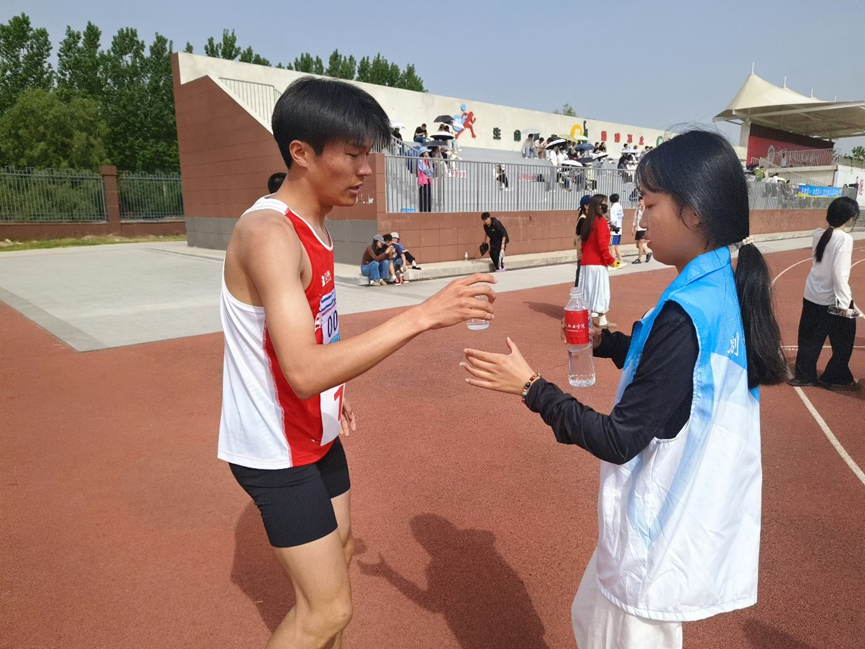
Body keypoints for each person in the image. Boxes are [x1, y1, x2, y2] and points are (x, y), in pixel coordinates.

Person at [461, 129, 787, 649]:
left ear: (695, 212)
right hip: (676, 518)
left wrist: (530, 387)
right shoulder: (720, 284)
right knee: (590, 614)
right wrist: (610, 342)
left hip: (655, 534)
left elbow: (618, 439)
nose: (639, 218)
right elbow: (675, 371)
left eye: (650, 204)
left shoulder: (685, 313)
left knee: (613, 626)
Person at [219, 76, 497, 649]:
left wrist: (335, 393)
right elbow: (302, 371)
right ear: (301, 153)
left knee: (341, 555)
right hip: (274, 449)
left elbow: (315, 331)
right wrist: (422, 315)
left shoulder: (316, 224)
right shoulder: (268, 234)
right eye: (352, 155)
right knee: (327, 612)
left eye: (367, 154)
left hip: (314, 429)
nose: (366, 170)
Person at [790, 196, 861, 390]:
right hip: (833, 300)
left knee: (808, 338)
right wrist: (846, 305)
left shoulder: (818, 234)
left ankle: (804, 376)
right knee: (844, 341)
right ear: (851, 218)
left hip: (812, 294)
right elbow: (840, 275)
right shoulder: (844, 239)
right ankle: (835, 376)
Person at [577, 194, 616, 328]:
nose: (605, 206)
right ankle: (602, 320)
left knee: (587, 291)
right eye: (603, 204)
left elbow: (583, 244)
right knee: (600, 291)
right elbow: (602, 244)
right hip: (597, 263)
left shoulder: (588, 221)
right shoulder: (601, 222)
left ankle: (587, 320)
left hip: (586, 263)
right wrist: (610, 259)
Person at [574, 194, 592, 286]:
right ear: (586, 206)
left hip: (585, 254)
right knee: (581, 278)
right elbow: (585, 237)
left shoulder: (586, 219)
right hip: (583, 254)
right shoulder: (583, 220)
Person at [632, 196, 652, 264]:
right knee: (637, 245)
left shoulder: (647, 210)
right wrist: (633, 228)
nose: (641, 202)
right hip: (638, 229)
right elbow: (635, 219)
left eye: (642, 201)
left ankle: (639, 259)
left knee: (640, 244)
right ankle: (647, 253)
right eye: (640, 201)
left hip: (643, 229)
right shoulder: (637, 210)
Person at [608, 193, 625, 266]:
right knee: (616, 246)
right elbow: (622, 216)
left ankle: (613, 263)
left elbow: (613, 219)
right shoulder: (620, 207)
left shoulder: (613, 208)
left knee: (612, 247)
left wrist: (609, 222)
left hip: (614, 230)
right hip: (619, 229)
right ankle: (621, 261)